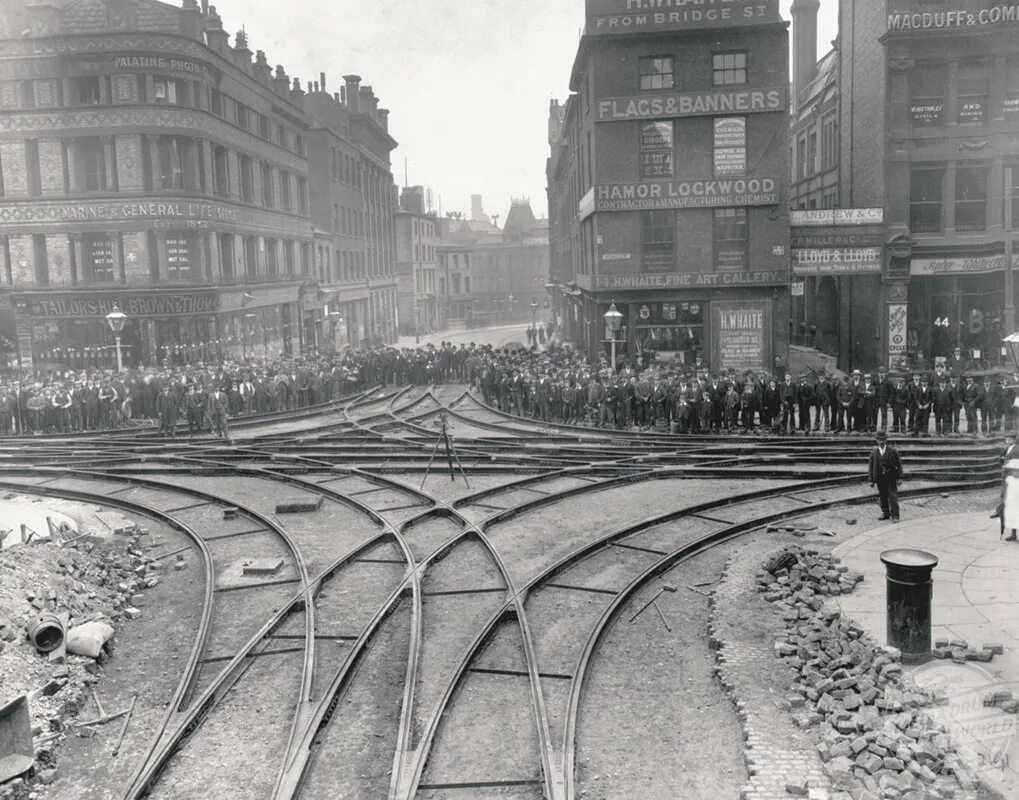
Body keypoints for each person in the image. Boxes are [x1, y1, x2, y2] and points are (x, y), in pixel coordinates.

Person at [869, 430, 903, 522]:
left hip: (891, 477)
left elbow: (899, 464)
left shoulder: (893, 451)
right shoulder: (874, 453)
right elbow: (871, 467)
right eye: (879, 440)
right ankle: (886, 513)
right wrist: (871, 480)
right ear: (877, 440)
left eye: (883, 439)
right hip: (880, 478)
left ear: (886, 440)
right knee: (882, 496)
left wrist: (900, 477)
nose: (881, 441)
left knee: (893, 497)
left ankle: (895, 515)